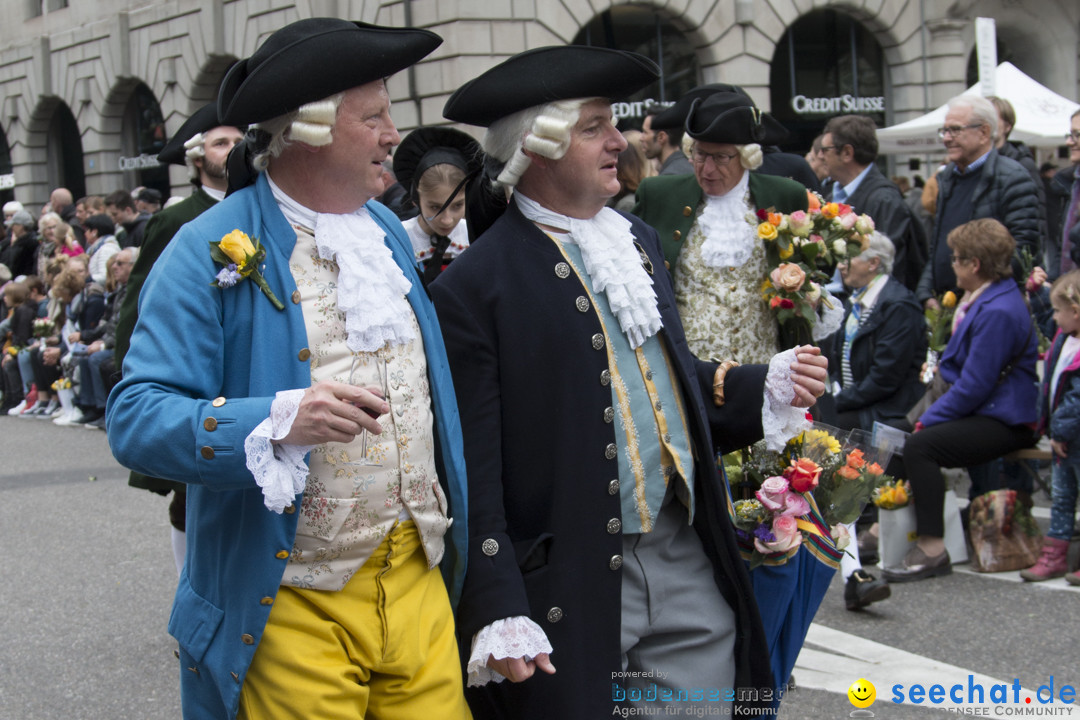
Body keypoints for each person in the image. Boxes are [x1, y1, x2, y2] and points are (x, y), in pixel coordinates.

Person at [434, 45, 829, 718]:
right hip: (568, 567)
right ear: (538, 147)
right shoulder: (476, 287)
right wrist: (496, 601)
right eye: (594, 127)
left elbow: (660, 384)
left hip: (681, 550)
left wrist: (764, 385)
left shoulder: (635, 240)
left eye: (612, 124)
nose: (620, 140)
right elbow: (475, 467)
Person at [107, 18, 470, 720]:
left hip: (419, 579)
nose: (394, 135)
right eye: (374, 118)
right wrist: (276, 420)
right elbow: (134, 416)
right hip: (290, 598)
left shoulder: (387, 233)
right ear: (307, 128)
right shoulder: (208, 246)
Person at [110, 102, 244, 575]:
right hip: (196, 367)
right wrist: (137, 374)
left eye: (236, 139)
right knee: (192, 493)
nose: (232, 150)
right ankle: (196, 600)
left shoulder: (260, 210)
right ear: (196, 157)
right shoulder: (176, 221)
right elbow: (141, 303)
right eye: (219, 142)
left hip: (245, 365)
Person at [887, 219, 1038, 582]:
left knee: (921, 446)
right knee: (893, 436)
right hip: (986, 407)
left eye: (956, 259)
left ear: (975, 265)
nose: (951, 264)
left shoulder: (998, 310)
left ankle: (933, 547)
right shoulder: (986, 297)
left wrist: (930, 419)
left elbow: (975, 386)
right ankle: (884, 529)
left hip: (1007, 418)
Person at [632, 91, 815, 362]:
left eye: (720, 158)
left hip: (763, 368)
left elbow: (809, 271)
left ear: (746, 156)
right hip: (687, 372)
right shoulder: (658, 195)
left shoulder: (787, 196)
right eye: (699, 154)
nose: (706, 169)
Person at [820, 231, 926, 609]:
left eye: (851, 257)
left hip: (888, 411)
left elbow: (885, 378)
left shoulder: (899, 306)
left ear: (874, 264)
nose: (843, 264)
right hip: (860, 402)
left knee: (825, 426)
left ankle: (848, 550)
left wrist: (835, 400)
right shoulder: (858, 301)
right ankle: (852, 563)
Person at [916, 95, 1042, 307]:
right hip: (946, 307)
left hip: (989, 307)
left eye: (955, 130)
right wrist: (926, 292)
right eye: (945, 130)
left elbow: (1023, 250)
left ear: (984, 132)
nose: (946, 138)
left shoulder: (1012, 177)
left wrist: (979, 293)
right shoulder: (946, 178)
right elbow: (938, 245)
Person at [820, 115, 927, 291]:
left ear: (847, 153)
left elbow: (885, 269)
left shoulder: (884, 200)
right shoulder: (832, 195)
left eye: (825, 150)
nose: (820, 156)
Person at [1021, 269, 1080, 583]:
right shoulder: (1066, 337)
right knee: (1061, 499)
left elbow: (1077, 400)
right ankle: (1054, 556)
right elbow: (1046, 318)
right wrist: (1039, 293)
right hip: (1064, 440)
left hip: (1071, 437)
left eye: (1060, 311)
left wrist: (1058, 432)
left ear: (1076, 311)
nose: (1055, 317)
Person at [391, 126, 482, 282]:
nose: (447, 219)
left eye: (457, 206)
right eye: (435, 207)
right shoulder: (400, 240)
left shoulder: (474, 237)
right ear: (416, 200)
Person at [1049, 110, 1080, 276]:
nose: (1069, 142)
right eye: (1070, 134)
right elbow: (1062, 244)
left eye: (1077, 135)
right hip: (1069, 291)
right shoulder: (1071, 182)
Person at [640, 104, 694, 175]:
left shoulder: (670, 174)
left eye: (645, 132)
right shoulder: (686, 166)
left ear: (661, 137)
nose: (641, 138)